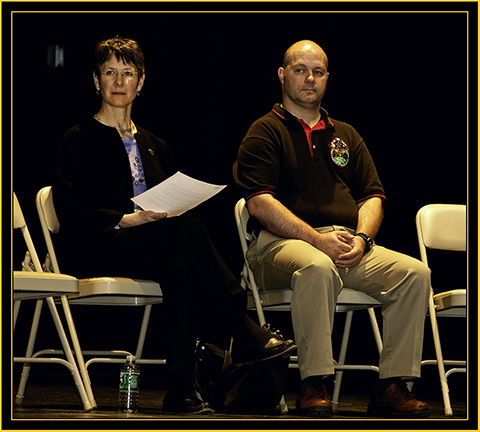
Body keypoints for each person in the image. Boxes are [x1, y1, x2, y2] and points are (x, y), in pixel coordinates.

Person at [53, 36, 296, 414]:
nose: (119, 81)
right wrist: (127, 219)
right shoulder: (78, 139)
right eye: (110, 73)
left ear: (142, 82)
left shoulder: (154, 144)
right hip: (101, 245)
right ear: (96, 81)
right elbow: (69, 210)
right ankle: (241, 326)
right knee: (187, 233)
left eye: (128, 73)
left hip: (152, 247)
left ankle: (179, 391)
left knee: (181, 265)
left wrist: (170, 209)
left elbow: (165, 204)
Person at [233, 40, 431, 418]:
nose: (310, 79)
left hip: (344, 242)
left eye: (318, 72)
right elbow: (259, 203)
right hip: (280, 246)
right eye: (300, 70)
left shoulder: (345, 134)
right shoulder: (265, 130)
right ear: (282, 74)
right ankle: (314, 381)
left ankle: (392, 384)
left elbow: (372, 197)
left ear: (327, 78)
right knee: (317, 266)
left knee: (414, 274)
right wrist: (317, 240)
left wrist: (362, 238)